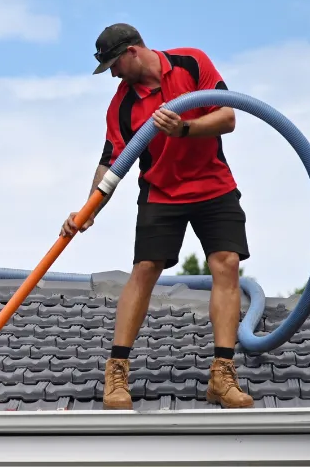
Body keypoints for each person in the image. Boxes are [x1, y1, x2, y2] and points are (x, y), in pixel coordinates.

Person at [60, 23, 254, 410]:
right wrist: (85, 211)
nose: (113, 74)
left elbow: (229, 117)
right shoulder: (122, 106)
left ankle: (222, 375)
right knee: (145, 268)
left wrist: (184, 128)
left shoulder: (191, 63)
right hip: (162, 193)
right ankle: (116, 373)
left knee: (226, 264)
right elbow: (110, 164)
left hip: (213, 185)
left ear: (133, 52)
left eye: (114, 65)